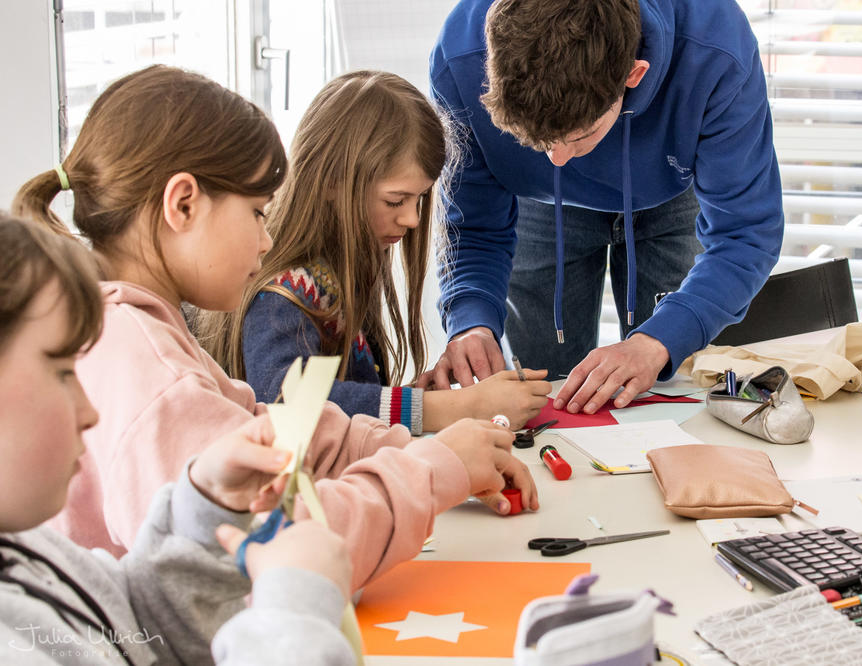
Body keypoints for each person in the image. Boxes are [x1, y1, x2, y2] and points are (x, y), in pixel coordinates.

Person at [12, 65, 537, 593]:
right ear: (183, 204)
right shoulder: (154, 371)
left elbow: (276, 430)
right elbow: (277, 549)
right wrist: (433, 470)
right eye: (258, 213)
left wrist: (416, 450)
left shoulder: (140, 332)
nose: (266, 241)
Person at [0, 214, 356, 664]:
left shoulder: (26, 549)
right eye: (62, 372)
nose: (89, 413)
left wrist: (204, 512)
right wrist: (294, 614)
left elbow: (130, 628)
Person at [427, 0, 784, 415]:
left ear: (634, 75)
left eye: (579, 136)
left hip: (669, 192)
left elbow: (744, 234)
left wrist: (658, 341)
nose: (558, 159)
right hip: (540, 204)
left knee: (673, 389)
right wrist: (470, 323)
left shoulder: (717, 48)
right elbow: (473, 227)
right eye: (536, 142)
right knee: (547, 398)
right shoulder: (459, 56)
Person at [201, 70, 550, 434]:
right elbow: (286, 406)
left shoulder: (340, 267)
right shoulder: (283, 294)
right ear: (333, 182)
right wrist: (445, 408)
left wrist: (419, 398)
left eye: (420, 198)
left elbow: (343, 405)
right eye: (396, 200)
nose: (413, 219)